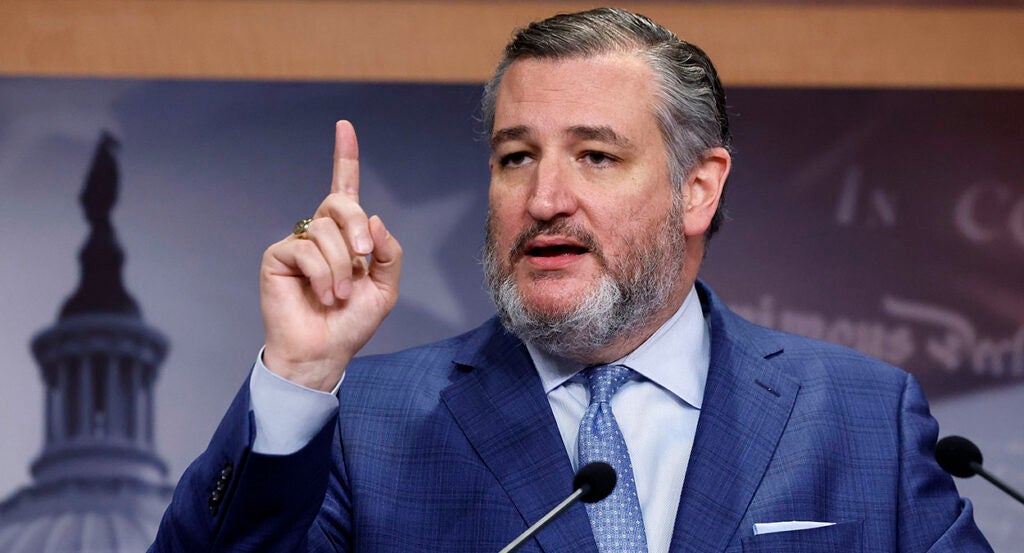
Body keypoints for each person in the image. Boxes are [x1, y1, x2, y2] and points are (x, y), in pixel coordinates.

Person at [150, 8, 991, 553]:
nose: (545, 198)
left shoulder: (862, 416)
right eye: (517, 157)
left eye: (596, 155)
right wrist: (298, 376)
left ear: (698, 187)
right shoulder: (367, 423)